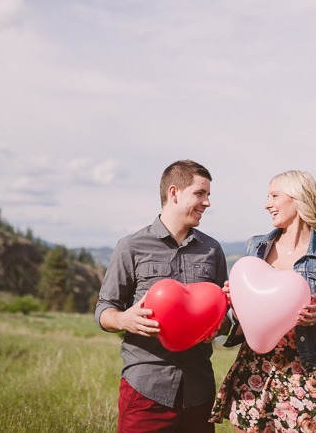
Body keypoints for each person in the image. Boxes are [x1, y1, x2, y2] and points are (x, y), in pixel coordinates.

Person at [210, 169, 316, 433]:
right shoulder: (254, 247)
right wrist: (233, 303)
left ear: (298, 198)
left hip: (305, 375)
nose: (267, 204)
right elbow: (244, 317)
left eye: (274, 195)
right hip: (254, 371)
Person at [95, 159, 230, 433]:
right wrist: (124, 320)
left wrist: (218, 327)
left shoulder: (212, 250)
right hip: (146, 388)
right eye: (200, 193)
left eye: (208, 195)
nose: (207, 203)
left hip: (198, 391)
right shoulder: (131, 247)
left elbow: (224, 313)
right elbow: (104, 309)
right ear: (174, 192)